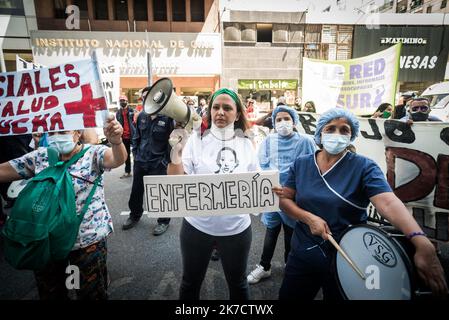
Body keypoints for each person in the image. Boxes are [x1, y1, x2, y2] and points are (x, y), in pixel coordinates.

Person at [274, 108, 448, 300]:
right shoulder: (301, 164)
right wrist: (308, 218)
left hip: (349, 254)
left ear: (352, 135)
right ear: (320, 132)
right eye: (330, 129)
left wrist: (421, 241)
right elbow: (285, 200)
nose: (337, 135)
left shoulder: (364, 167)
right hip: (303, 252)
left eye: (344, 130)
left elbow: (389, 203)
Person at [0, 116, 127, 299]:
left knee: (91, 294)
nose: (56, 136)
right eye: (51, 133)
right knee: (51, 292)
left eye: (62, 132)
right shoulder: (41, 156)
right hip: (46, 242)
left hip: (86, 242)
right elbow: (4, 171)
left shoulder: (93, 154)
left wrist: (116, 142)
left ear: (77, 133)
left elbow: (117, 159)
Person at [168, 88, 257, 300]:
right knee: (190, 283)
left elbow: (256, 181)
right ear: (209, 111)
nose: (220, 112)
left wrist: (270, 190)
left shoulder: (247, 143)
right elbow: (175, 182)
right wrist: (176, 153)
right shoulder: (196, 141)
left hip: (236, 228)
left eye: (227, 108)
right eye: (216, 107)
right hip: (196, 227)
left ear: (237, 114)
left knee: (239, 284)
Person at [247, 105, 316, 285]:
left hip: (293, 197)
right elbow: (261, 164)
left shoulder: (305, 142)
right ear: (274, 123)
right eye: (279, 119)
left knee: (290, 233)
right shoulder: (269, 140)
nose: (283, 122)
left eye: (287, 119)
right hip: (272, 194)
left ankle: (289, 265)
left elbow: (312, 167)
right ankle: (264, 266)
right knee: (271, 230)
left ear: (294, 121)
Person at [122, 104, 175, 236]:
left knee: (161, 193)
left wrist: (165, 161)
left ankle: (163, 221)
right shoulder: (142, 116)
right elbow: (136, 137)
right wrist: (136, 155)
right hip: (141, 161)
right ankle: (134, 215)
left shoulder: (168, 119)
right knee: (136, 192)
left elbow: (172, 142)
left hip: (158, 163)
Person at [116, 95, 135, 179]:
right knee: (126, 155)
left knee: (136, 154)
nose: (122, 102)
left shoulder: (132, 111)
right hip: (124, 137)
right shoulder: (118, 113)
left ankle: (138, 171)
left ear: (127, 101)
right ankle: (128, 172)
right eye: (121, 101)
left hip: (133, 136)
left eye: (123, 100)